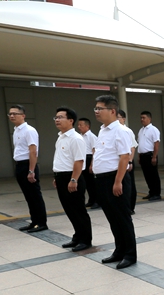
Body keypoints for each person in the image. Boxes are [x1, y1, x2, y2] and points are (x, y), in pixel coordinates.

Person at [92, 95, 137, 269]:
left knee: (122, 218)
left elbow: (124, 157)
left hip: (115, 178)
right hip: (102, 179)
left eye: (100, 108)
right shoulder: (103, 130)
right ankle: (119, 250)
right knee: (112, 218)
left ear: (112, 111)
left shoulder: (121, 130)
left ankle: (130, 254)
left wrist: (118, 182)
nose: (96, 111)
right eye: (95, 108)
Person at [52, 107, 92, 251]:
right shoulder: (60, 137)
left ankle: (85, 240)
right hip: (61, 177)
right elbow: (61, 158)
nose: (57, 120)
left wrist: (74, 179)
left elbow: (79, 161)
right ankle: (77, 236)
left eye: (60, 117)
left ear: (71, 120)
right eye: (56, 117)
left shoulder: (76, 138)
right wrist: (57, 176)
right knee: (69, 210)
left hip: (73, 178)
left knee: (78, 210)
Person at [9, 105, 48, 233]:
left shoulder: (29, 130)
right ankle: (34, 221)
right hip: (19, 165)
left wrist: (31, 170)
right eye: (10, 114)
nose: (12, 116)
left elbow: (33, 151)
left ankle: (41, 223)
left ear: (23, 115)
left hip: (28, 165)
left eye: (15, 113)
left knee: (35, 195)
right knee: (28, 196)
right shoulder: (16, 130)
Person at [116, 110, 138, 214]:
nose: (116, 120)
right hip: (118, 163)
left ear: (124, 119)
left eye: (118, 117)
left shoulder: (127, 131)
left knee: (129, 185)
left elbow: (132, 147)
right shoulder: (115, 131)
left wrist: (130, 161)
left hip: (127, 162)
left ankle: (130, 207)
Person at [136, 111, 162, 201]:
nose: (142, 119)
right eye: (141, 118)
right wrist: (139, 156)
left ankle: (156, 193)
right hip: (143, 156)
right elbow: (140, 144)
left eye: (144, 118)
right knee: (147, 176)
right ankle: (151, 192)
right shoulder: (141, 130)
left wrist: (154, 156)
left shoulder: (153, 129)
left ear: (149, 119)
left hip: (150, 155)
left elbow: (156, 144)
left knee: (153, 175)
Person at [77, 118, 99, 209]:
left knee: (93, 182)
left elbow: (95, 151)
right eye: (78, 125)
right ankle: (91, 200)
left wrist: (92, 164)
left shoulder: (91, 136)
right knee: (87, 183)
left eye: (81, 125)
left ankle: (97, 201)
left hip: (89, 158)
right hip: (83, 158)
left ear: (87, 126)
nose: (79, 127)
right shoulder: (79, 136)